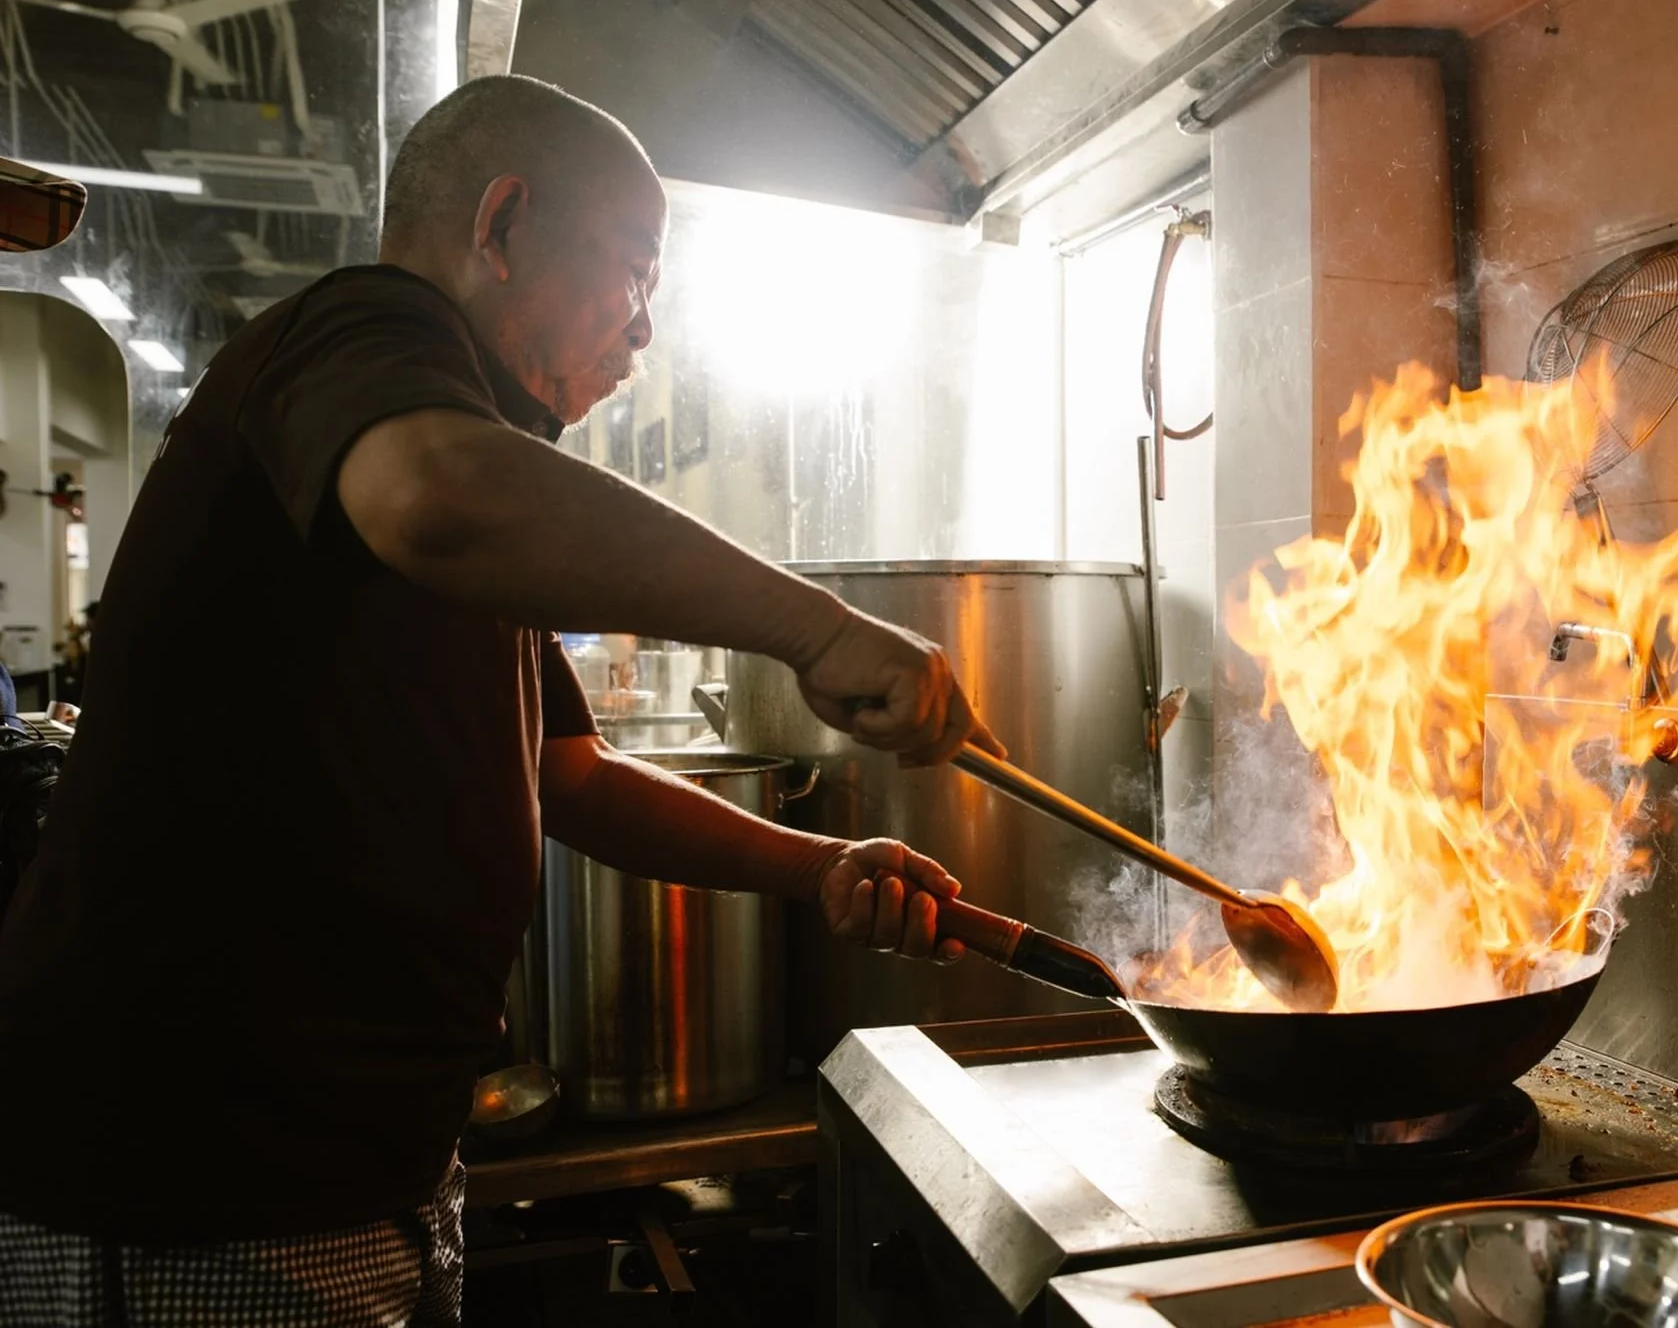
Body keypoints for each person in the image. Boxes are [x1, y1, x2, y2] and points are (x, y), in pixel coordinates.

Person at [0, 75, 1001, 1325]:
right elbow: (438, 495)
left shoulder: (453, 464)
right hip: (200, 1182)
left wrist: (820, 867)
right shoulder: (361, 336)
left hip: (366, 1169)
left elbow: (567, 774)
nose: (644, 329)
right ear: (502, 222)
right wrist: (813, 626)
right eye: (634, 268)